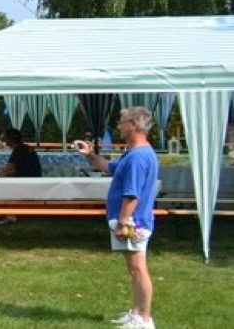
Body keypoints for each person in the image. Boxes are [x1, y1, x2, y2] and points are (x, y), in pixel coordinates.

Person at [75, 107, 159, 329]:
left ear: (134, 125)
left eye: (122, 121)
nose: (118, 126)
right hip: (133, 221)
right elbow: (109, 168)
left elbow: (132, 195)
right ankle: (137, 312)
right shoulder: (135, 153)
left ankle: (144, 319)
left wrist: (123, 222)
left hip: (133, 222)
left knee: (138, 268)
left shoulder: (138, 157)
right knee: (134, 268)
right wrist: (90, 154)